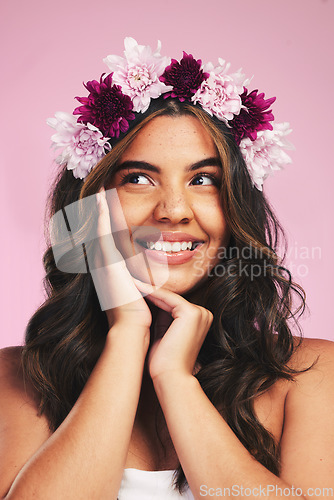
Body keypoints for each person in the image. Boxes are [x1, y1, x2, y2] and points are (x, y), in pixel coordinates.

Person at [0, 38, 333, 500]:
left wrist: (176, 381)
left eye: (204, 180)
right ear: (89, 212)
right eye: (138, 178)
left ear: (237, 206)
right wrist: (126, 334)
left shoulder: (313, 377)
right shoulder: (16, 380)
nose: (174, 210)